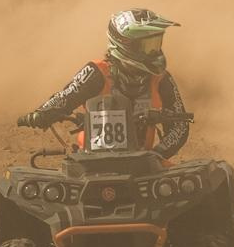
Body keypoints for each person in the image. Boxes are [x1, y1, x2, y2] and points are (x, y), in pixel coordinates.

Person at [16, 9, 190, 158]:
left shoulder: (161, 78)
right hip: (89, 161)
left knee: (198, 185)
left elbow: (180, 124)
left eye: (156, 43)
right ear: (125, 44)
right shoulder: (96, 72)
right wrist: (42, 113)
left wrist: (158, 153)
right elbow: (65, 97)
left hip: (145, 163)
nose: (154, 51)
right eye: (147, 46)